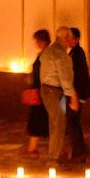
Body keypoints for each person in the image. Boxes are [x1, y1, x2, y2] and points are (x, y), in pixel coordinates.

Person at [39, 33, 79, 165]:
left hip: (51, 90)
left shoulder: (50, 51)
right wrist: (73, 95)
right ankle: (54, 157)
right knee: (58, 123)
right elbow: (65, 77)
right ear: (65, 38)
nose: (71, 40)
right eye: (70, 37)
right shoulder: (60, 54)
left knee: (55, 122)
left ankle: (56, 153)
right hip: (54, 91)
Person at [59, 26, 90, 162]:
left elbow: (77, 77)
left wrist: (74, 96)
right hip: (72, 93)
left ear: (76, 39)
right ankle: (73, 151)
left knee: (73, 123)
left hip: (75, 94)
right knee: (71, 122)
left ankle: (79, 153)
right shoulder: (73, 52)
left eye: (69, 37)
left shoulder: (77, 54)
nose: (67, 40)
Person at [25, 29, 51, 157]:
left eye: (38, 41)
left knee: (40, 120)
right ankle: (33, 148)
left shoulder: (47, 55)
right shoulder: (42, 54)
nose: (36, 43)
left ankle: (33, 149)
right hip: (39, 92)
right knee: (41, 120)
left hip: (43, 93)